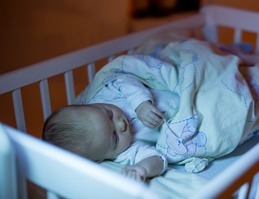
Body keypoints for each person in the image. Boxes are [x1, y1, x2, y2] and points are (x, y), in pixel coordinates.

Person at [43, 75, 180, 181]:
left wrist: (141, 105)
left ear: (91, 105)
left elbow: (124, 80)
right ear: (100, 159)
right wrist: (141, 168)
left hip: (175, 86)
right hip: (186, 116)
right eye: (115, 137)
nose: (121, 124)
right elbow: (158, 159)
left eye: (109, 114)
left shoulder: (105, 96)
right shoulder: (124, 152)